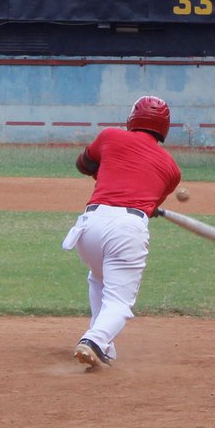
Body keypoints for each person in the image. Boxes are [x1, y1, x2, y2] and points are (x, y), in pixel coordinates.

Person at [62, 96, 182, 370]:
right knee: (119, 300)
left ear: (132, 119)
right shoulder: (172, 170)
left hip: (89, 226)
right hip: (126, 228)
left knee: (99, 279)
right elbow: (149, 201)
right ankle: (94, 340)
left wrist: (106, 167)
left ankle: (103, 347)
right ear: (164, 127)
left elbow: (83, 164)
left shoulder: (110, 136)